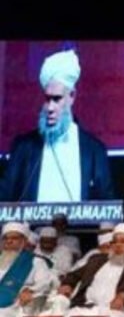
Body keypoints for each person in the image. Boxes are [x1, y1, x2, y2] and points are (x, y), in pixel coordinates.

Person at [0, 49, 115, 202]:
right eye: (47, 99)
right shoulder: (23, 148)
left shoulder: (94, 151)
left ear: (72, 96)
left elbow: (108, 208)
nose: (50, 108)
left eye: (56, 99)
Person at [58, 223, 124, 317]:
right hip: (86, 308)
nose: (118, 245)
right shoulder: (96, 260)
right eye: (115, 241)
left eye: (123, 242)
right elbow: (73, 275)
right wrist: (67, 284)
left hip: (114, 312)